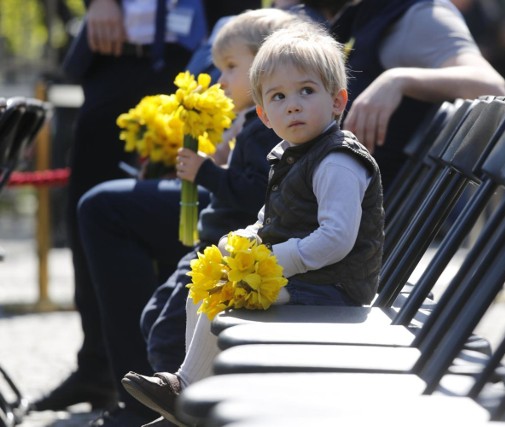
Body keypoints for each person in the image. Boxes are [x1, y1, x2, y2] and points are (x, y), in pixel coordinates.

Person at [121, 23, 385, 426]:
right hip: (305, 278)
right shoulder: (291, 154)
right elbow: (272, 218)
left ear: (337, 101)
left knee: (228, 293)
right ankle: (194, 389)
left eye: (306, 91)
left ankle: (191, 396)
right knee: (205, 286)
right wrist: (242, 241)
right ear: (263, 114)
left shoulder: (337, 161)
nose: (293, 105)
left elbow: (336, 239)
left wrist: (273, 262)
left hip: (333, 288)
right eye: (279, 97)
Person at [70, 8, 305, 426]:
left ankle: (185, 408)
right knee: (154, 318)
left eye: (231, 67)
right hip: (210, 241)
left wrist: (207, 171)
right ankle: (176, 405)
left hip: (227, 248)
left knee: (166, 334)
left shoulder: (271, 132)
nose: (221, 80)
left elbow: (256, 193)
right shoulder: (251, 126)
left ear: (269, 63)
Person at [30, 0, 260, 418]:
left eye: (229, 67)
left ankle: (151, 390)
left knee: (115, 215)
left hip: (184, 56)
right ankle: (100, 367)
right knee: (92, 205)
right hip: (118, 60)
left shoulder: (252, 100)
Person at [307, 0, 505, 188]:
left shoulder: (421, 14)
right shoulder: (367, 14)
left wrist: (398, 80)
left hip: (366, 214)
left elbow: (491, 86)